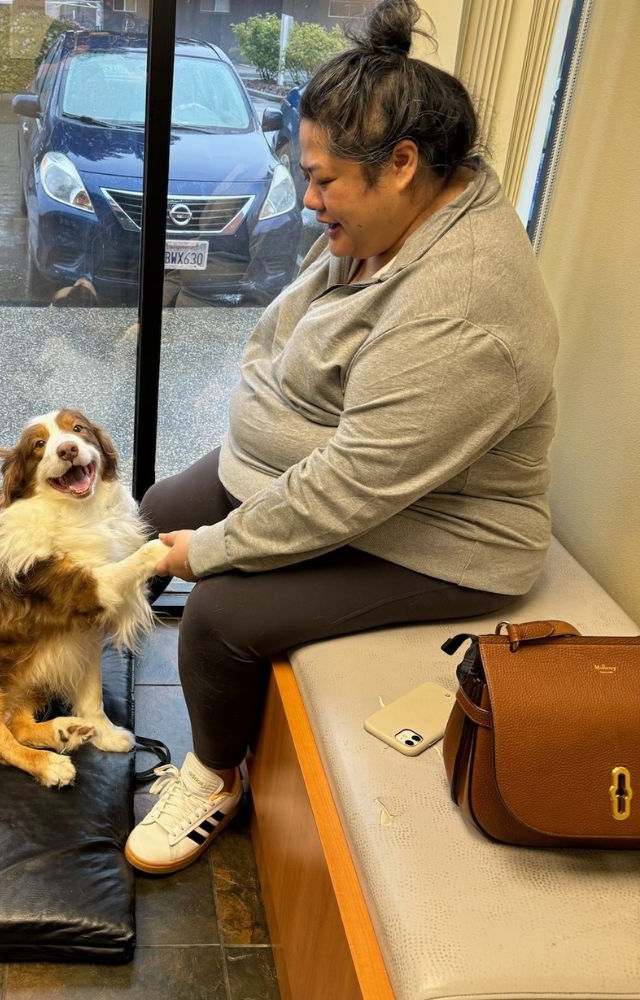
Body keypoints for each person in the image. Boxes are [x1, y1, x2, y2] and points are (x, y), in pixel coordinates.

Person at [123, 0, 559, 876]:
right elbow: (279, 339)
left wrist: (211, 551)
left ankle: (215, 779)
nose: (309, 198)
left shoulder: (464, 313)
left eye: (323, 180)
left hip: (443, 538)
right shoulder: (394, 217)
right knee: (155, 509)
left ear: (402, 164)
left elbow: (350, 489)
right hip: (333, 471)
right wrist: (241, 467)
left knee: (220, 614)